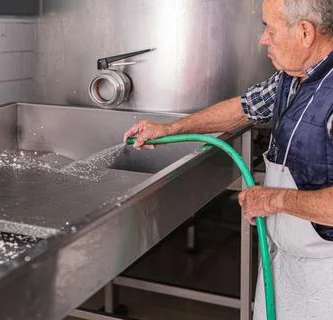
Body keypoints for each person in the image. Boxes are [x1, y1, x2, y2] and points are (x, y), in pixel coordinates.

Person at [123, 0, 333, 319]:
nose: (263, 39)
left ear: (305, 32)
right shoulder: (292, 77)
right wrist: (170, 127)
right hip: (286, 256)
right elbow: (242, 108)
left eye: (270, 29)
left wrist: (274, 199)